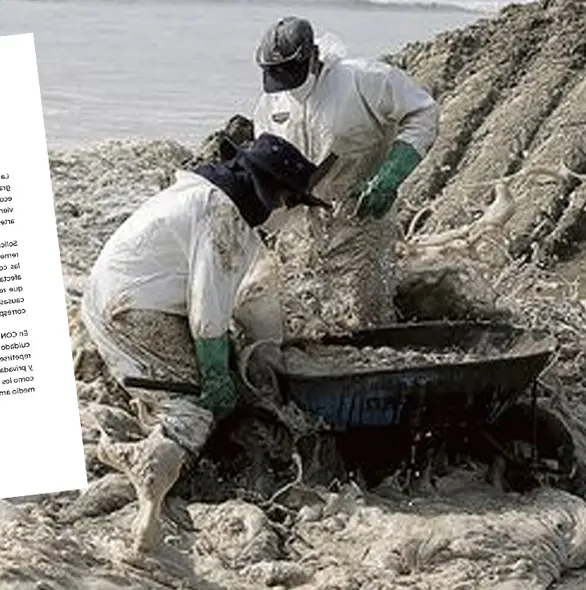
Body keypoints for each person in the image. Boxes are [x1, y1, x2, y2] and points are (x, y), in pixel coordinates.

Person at [79, 132, 326, 554]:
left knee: (192, 380)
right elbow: (208, 317)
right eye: (296, 205)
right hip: (133, 314)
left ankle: (154, 417)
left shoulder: (201, 192)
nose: (293, 217)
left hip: (109, 300)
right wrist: (215, 377)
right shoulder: (224, 217)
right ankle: (149, 459)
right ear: (277, 198)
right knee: (197, 409)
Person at [252, 16, 440, 330]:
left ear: (312, 56)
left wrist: (390, 176)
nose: (287, 83)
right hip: (302, 222)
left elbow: (423, 112)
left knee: (362, 313)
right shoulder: (270, 103)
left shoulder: (362, 79)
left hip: (362, 211)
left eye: (292, 72)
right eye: (276, 75)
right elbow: (265, 158)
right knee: (303, 309)